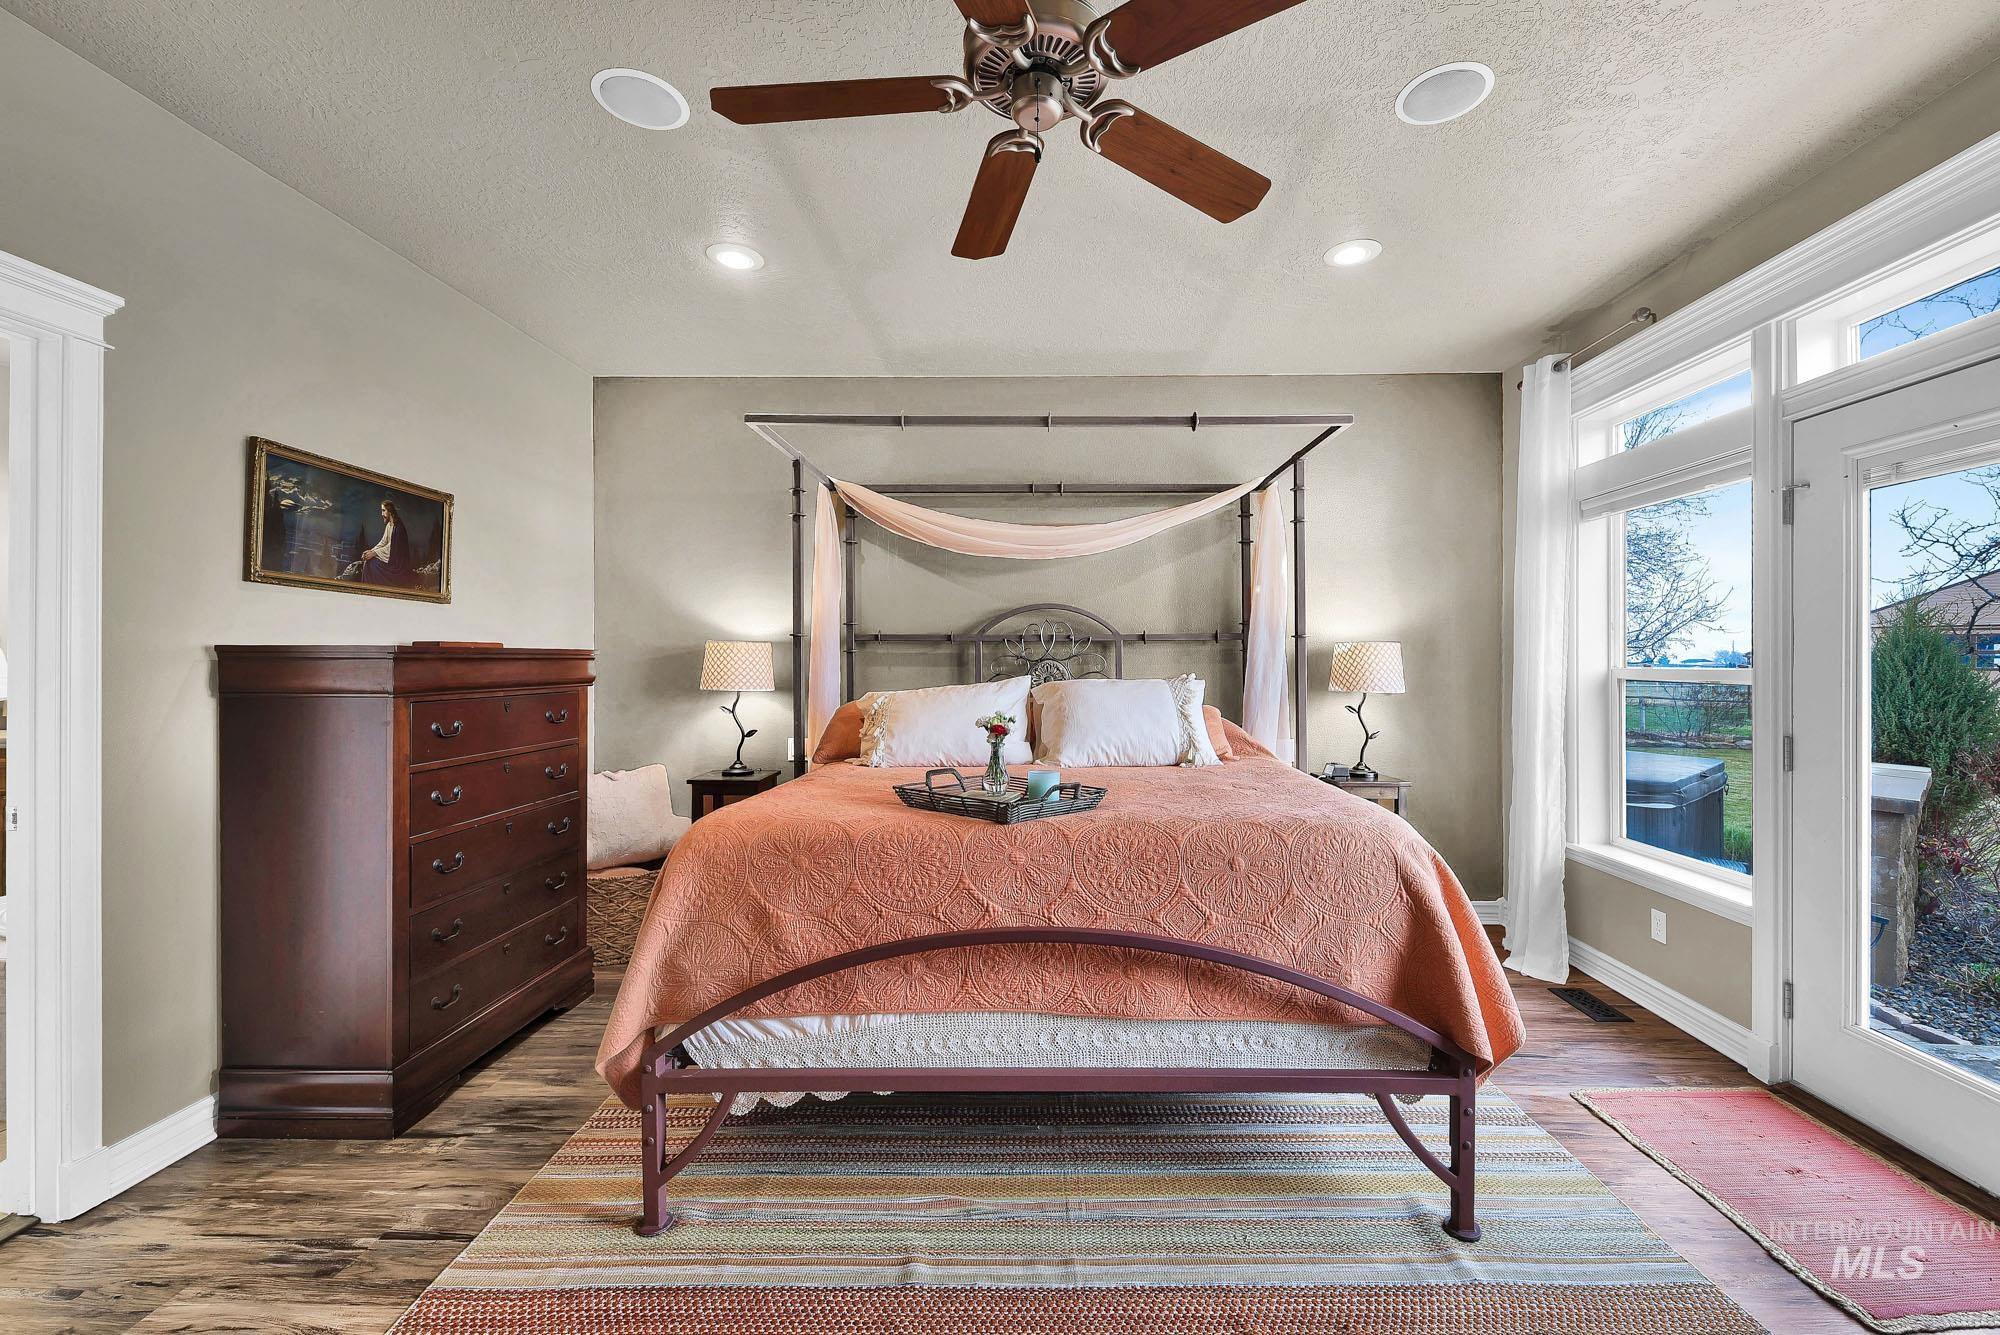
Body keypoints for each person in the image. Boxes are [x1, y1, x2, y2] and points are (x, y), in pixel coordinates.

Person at [352, 498, 415, 586]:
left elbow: (392, 547)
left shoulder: (399, 527)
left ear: (390, 511)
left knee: (371, 564)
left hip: (397, 565)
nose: (382, 514)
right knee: (368, 562)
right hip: (390, 558)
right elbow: (383, 542)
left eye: (383, 511)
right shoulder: (389, 525)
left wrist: (374, 553)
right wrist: (370, 552)